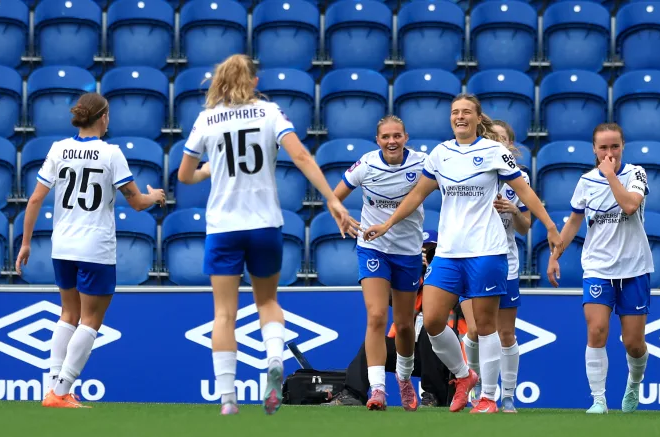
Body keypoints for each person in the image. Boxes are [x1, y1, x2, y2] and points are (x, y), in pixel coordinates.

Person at [176, 54, 356, 416]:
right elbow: (302, 157)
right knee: (267, 302)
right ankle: (275, 358)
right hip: (265, 224)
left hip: (223, 227)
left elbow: (184, 175)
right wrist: (332, 201)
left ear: (220, 82)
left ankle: (228, 399)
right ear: (254, 82)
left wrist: (211, 170)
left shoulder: (207, 119)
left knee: (224, 314)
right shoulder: (270, 113)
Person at [363, 93, 563, 413]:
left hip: (486, 250)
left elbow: (524, 190)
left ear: (477, 118)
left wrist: (551, 227)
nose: (460, 117)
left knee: (484, 327)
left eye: (466, 112)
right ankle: (463, 375)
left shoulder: (494, 151)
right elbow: (417, 194)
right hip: (449, 251)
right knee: (432, 321)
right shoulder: (440, 154)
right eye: (455, 112)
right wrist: (387, 224)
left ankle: (490, 397)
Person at [15, 92, 167, 409]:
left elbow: (34, 200)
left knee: (67, 314)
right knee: (91, 319)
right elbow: (138, 203)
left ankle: (53, 388)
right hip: (95, 247)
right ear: (102, 118)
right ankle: (62, 390)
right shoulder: (111, 154)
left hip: (63, 246)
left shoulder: (58, 149)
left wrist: (26, 242)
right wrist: (156, 196)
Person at [547, 123, 653, 414]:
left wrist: (610, 177)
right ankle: (599, 399)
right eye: (603, 148)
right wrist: (556, 254)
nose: (609, 153)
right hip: (597, 267)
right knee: (596, 330)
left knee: (633, 343)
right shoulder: (586, 181)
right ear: (594, 150)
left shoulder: (636, 173)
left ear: (623, 147)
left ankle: (634, 381)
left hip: (634, 268)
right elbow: (574, 221)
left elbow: (630, 206)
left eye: (614, 146)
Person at [331, 115, 428, 411]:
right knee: (375, 316)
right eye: (386, 136)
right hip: (372, 248)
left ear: (406, 137)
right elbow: (335, 197)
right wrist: (342, 217)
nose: (392, 141)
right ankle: (377, 389)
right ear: (377, 140)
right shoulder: (366, 165)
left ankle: (403, 379)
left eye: (397, 135)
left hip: (409, 252)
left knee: (404, 325)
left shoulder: (423, 163)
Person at [325, 230, 464, 408]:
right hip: (408, 348)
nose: (427, 255)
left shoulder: (452, 278)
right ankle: (352, 394)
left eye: (432, 251)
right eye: (423, 251)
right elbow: (393, 301)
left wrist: (434, 270)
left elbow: (459, 308)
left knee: (429, 333)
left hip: (448, 356)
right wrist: (419, 273)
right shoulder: (411, 280)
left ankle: (432, 397)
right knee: (374, 344)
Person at [459, 120, 530, 413]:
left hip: (506, 265)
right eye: (493, 139)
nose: (498, 144)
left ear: (511, 146)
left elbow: (525, 228)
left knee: (506, 334)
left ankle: (508, 395)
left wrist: (515, 211)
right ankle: (476, 388)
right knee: (474, 329)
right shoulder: (470, 173)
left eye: (504, 140)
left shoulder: (519, 179)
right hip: (471, 259)